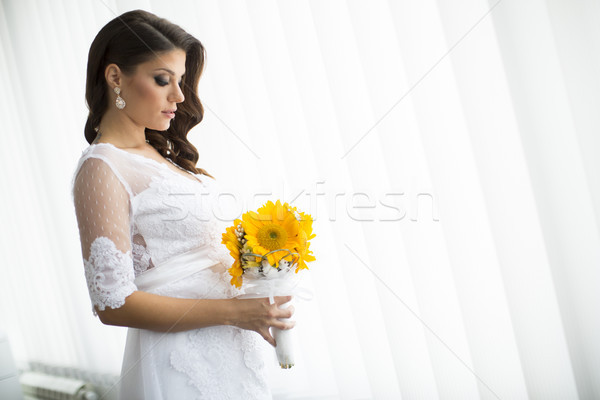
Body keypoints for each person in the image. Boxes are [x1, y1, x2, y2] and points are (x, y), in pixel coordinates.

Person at [71, 9, 294, 399]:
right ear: (115, 77)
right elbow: (113, 304)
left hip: (227, 350)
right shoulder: (101, 167)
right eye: (163, 80)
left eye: (181, 81)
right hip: (180, 362)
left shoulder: (161, 155)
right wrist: (237, 313)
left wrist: (262, 268)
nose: (179, 96)